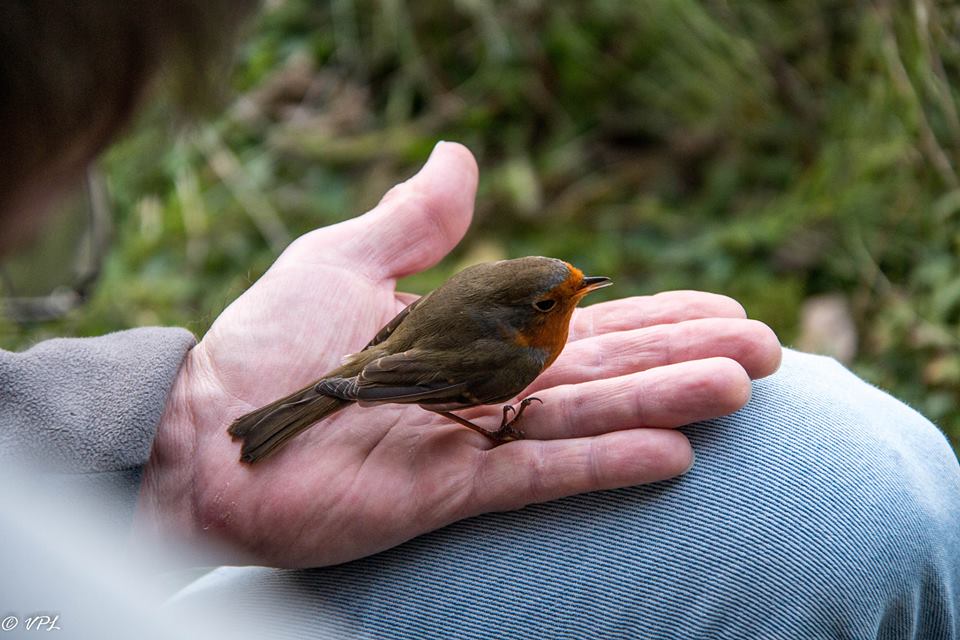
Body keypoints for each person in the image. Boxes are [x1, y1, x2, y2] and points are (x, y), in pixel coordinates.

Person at [0, 3, 957, 638]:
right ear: (522, 309)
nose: (574, 299)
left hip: (368, 368)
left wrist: (171, 435)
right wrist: (433, 406)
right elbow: (420, 377)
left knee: (859, 480)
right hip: (403, 378)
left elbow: (400, 341)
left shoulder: (504, 311)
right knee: (855, 495)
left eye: (571, 290)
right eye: (557, 299)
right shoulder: (508, 361)